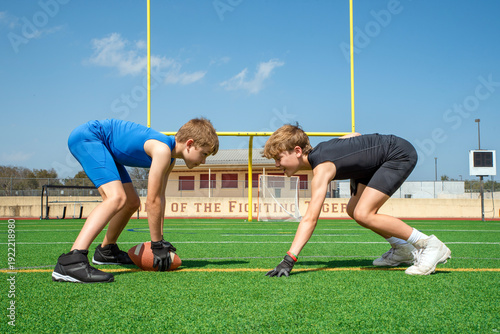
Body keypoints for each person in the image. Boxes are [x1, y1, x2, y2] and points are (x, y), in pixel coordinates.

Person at [263, 124, 451, 277]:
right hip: (377, 161)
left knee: (363, 213)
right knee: (353, 210)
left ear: (297, 151)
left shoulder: (321, 168)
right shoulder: (322, 149)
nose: (277, 164)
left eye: (279, 158)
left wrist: (289, 259)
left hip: (398, 154)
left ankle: (429, 244)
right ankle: (402, 248)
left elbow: (310, 218)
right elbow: (355, 134)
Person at [52, 118, 219, 283]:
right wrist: (156, 244)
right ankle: (72, 261)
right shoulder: (163, 151)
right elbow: (152, 200)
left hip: (105, 146)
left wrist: (160, 240)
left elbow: (160, 197)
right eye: (203, 154)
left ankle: (106, 251)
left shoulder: (170, 158)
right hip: (90, 137)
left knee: (131, 202)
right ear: (189, 144)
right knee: (116, 197)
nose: (203, 161)